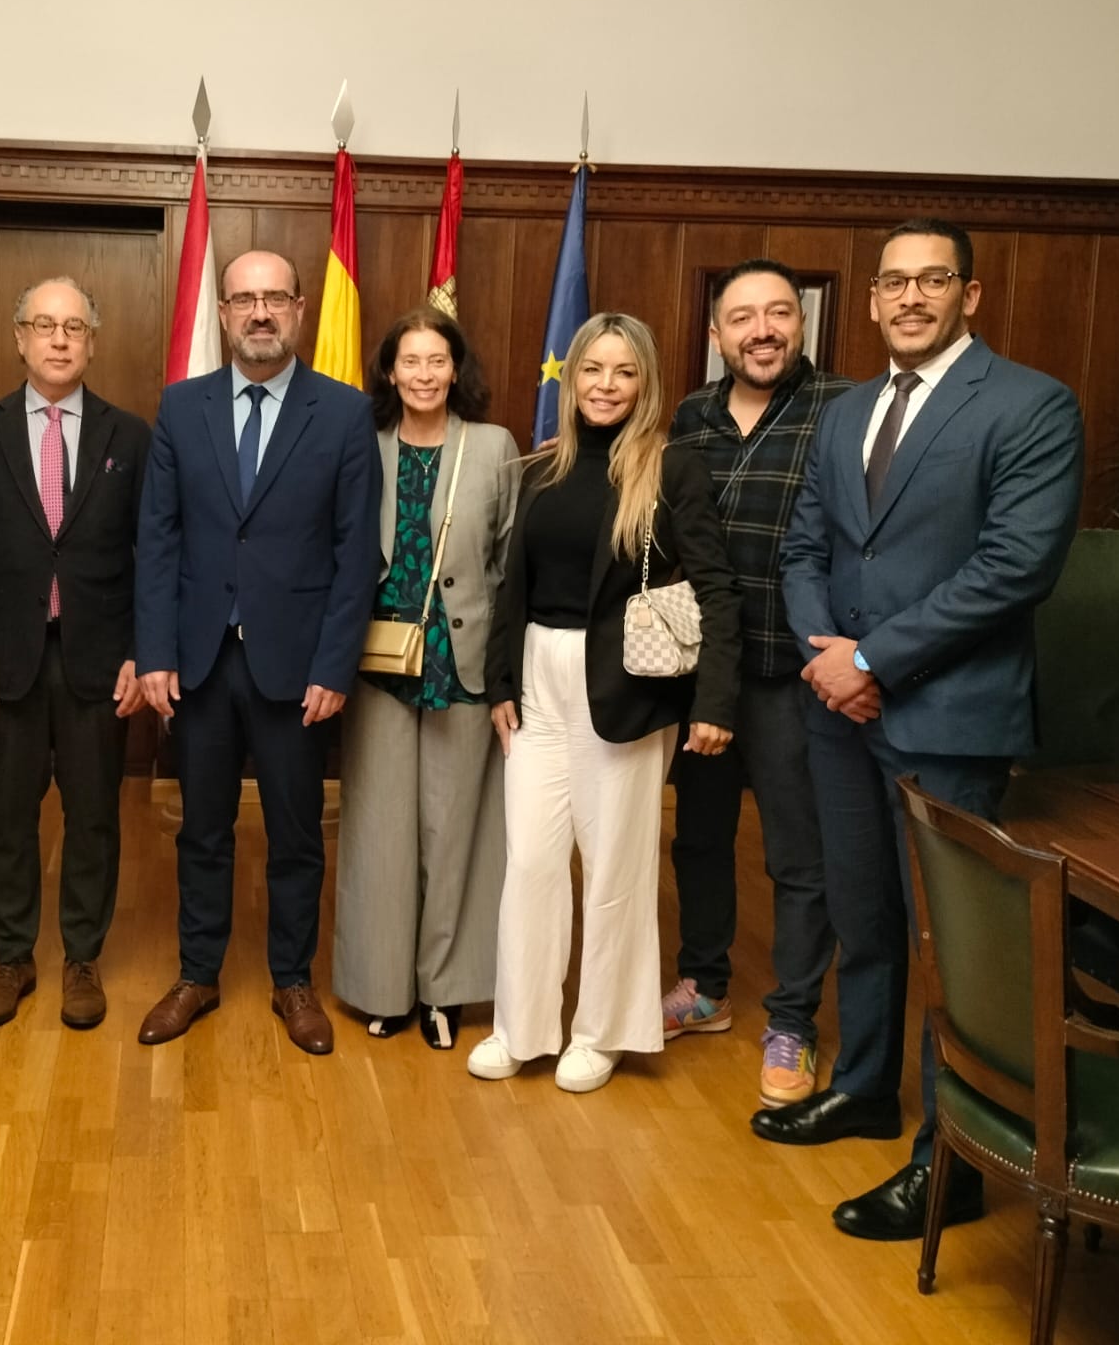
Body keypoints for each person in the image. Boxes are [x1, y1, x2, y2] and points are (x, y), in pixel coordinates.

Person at [759, 218, 1083, 1243]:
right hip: (837, 714)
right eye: (891, 283)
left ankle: (953, 1156)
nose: (907, 298)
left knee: (953, 948)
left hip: (945, 720)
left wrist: (871, 660)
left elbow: (1012, 569)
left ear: (968, 297)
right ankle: (859, 1087)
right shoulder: (844, 410)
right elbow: (803, 544)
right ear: (867, 301)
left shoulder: (1031, 406)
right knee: (864, 919)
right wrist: (826, 654)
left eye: (930, 281)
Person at [471, 313, 741, 1094]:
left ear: (646, 382)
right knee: (529, 863)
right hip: (536, 682)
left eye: (624, 372)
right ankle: (523, 1028)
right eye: (593, 370)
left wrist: (714, 703)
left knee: (616, 869)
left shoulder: (673, 470)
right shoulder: (538, 470)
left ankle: (601, 1032)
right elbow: (507, 589)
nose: (606, 386)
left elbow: (716, 592)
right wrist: (499, 684)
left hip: (623, 687)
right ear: (571, 377)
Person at [132, 249, 381, 1056]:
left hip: (296, 667)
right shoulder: (181, 408)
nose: (261, 312)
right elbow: (158, 540)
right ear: (224, 314)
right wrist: (156, 652)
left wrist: (334, 666)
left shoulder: (343, 414)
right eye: (245, 299)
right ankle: (197, 975)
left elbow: (355, 556)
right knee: (201, 827)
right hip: (198, 663)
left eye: (275, 297)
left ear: (301, 310)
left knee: (296, 833)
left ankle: (292, 980)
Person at [0, 277, 151, 1033]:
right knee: (7, 817)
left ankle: (82, 958)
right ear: (19, 338)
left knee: (94, 817)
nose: (59, 340)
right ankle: (13, 956)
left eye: (73, 328)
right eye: (43, 326)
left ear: (93, 342)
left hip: (100, 663)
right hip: (5, 663)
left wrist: (141, 654)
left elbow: (151, 556)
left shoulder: (131, 438)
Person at [663, 260, 852, 1108]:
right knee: (698, 838)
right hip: (704, 671)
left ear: (801, 323)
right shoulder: (691, 416)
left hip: (791, 671)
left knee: (795, 856)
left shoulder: (841, 411)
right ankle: (702, 986)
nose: (762, 330)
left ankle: (793, 1018)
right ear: (717, 334)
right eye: (743, 317)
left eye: (779, 313)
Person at [333, 307, 519, 1051]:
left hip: (463, 669)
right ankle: (384, 988)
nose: (422, 375)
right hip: (376, 666)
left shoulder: (495, 446)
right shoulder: (362, 444)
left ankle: (445, 990)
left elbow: (510, 566)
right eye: (409, 361)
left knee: (456, 837)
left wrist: (508, 675)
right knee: (379, 833)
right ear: (388, 371)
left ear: (456, 369)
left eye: (436, 361)